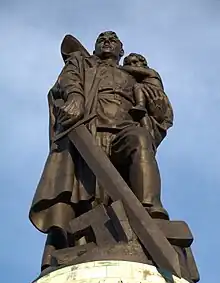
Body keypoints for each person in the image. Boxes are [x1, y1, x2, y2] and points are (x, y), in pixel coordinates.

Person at [29, 31, 173, 264]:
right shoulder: (82, 63)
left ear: (121, 51)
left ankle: (150, 212)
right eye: (101, 39)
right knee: (88, 197)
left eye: (113, 40)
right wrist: (75, 98)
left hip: (123, 134)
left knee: (140, 139)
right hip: (89, 132)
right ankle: (85, 240)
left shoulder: (136, 78)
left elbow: (161, 112)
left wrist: (157, 98)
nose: (107, 42)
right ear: (95, 47)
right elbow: (69, 79)